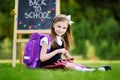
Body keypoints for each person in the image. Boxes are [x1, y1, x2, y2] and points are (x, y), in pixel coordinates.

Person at [39, 14, 111, 72]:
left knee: (75, 65)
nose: (61, 30)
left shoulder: (61, 40)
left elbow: (67, 55)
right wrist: (57, 51)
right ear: (53, 25)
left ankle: (93, 69)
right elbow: (42, 58)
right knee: (68, 65)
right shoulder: (47, 39)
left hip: (58, 62)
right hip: (48, 65)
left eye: (64, 28)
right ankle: (91, 71)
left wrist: (69, 57)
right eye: (59, 26)